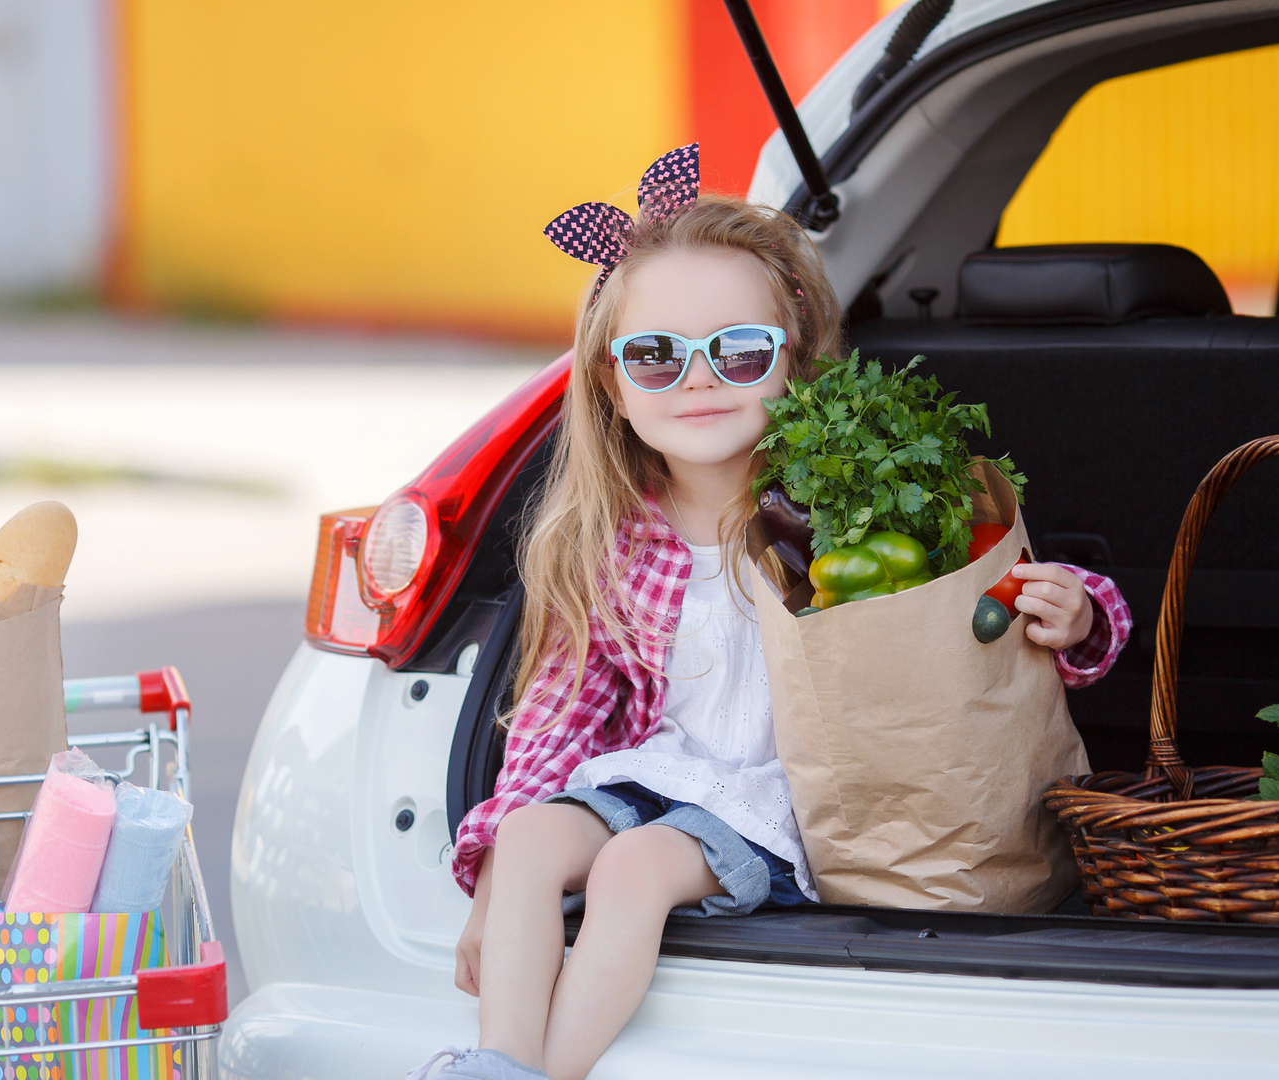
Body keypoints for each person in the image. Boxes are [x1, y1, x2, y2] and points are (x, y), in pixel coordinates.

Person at [408, 145, 1130, 1080]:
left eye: (737, 350)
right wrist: (494, 885)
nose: (699, 380)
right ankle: (496, 1061)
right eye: (656, 356)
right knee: (534, 833)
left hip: (801, 797)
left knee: (633, 871)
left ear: (795, 362)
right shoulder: (609, 544)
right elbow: (556, 718)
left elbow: (976, 615)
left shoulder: (850, 503)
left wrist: (1081, 615)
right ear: (611, 389)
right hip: (660, 776)